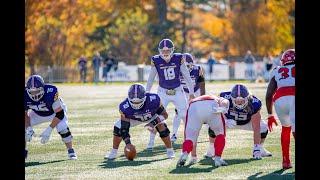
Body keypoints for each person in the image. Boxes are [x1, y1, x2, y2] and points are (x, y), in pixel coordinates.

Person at [145, 38, 195, 148]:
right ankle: (151, 141)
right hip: (163, 91)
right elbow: (151, 78)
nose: (165, 53)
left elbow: (186, 75)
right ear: (159, 51)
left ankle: (189, 139)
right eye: (163, 51)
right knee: (155, 116)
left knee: (185, 115)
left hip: (177, 91)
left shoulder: (178, 58)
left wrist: (191, 92)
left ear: (172, 50)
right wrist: (147, 92)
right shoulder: (156, 60)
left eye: (167, 51)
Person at [104, 83, 175, 159]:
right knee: (118, 126)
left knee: (162, 126)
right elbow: (124, 128)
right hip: (135, 118)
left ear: (144, 97)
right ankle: (114, 152)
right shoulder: (124, 106)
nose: (136, 104)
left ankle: (170, 150)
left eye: (138, 102)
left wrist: (153, 123)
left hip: (151, 116)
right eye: (134, 102)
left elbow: (165, 115)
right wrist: (128, 143)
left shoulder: (153, 99)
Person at [204, 84, 272, 160]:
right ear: (232, 98)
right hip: (229, 121)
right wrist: (225, 121)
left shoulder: (254, 102)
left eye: (242, 101)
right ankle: (211, 148)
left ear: (247, 98)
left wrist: (256, 147)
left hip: (247, 122)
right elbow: (217, 112)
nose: (239, 103)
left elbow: (256, 127)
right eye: (237, 101)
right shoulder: (224, 97)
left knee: (263, 127)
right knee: (213, 126)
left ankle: (260, 148)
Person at [25, 75, 77, 160]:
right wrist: (28, 127)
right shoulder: (24, 95)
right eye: (32, 92)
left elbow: (60, 114)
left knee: (62, 128)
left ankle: (71, 151)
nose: (35, 94)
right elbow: (25, 114)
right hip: (37, 113)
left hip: (54, 113)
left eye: (37, 91)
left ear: (43, 88)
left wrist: (49, 130)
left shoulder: (51, 91)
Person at [176, 95, 229, 167]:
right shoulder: (218, 98)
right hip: (212, 104)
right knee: (220, 134)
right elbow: (225, 102)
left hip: (194, 106)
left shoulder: (195, 101)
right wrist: (223, 109)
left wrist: (193, 156)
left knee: (190, 137)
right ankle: (217, 158)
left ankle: (185, 153)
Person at [266, 49, 295, 169]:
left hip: (279, 100)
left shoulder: (276, 70)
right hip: (294, 96)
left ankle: (286, 161)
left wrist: (270, 115)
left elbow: (268, 95)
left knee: (286, 128)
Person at [172, 53, 206, 145]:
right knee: (178, 112)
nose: (186, 68)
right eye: (184, 66)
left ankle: (209, 131)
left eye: (188, 66)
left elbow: (202, 84)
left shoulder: (198, 69)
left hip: (196, 91)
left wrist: (202, 97)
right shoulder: (176, 70)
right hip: (183, 92)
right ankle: (174, 134)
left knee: (202, 112)